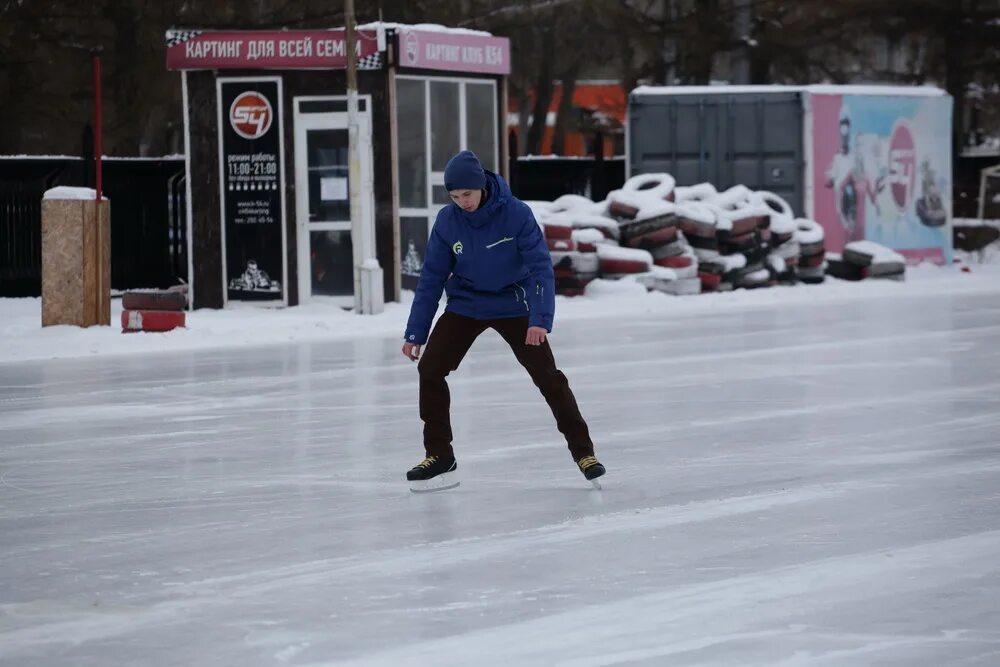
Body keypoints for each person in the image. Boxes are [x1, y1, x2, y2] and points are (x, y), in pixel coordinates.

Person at [401, 150, 604, 488]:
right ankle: (440, 455)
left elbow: (541, 268)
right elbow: (431, 279)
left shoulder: (516, 215)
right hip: (466, 303)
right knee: (430, 369)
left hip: (514, 302)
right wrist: (415, 331)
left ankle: (584, 453)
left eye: (467, 193)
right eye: (454, 196)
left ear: (481, 186)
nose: (462, 201)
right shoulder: (448, 221)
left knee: (548, 377)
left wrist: (539, 319)